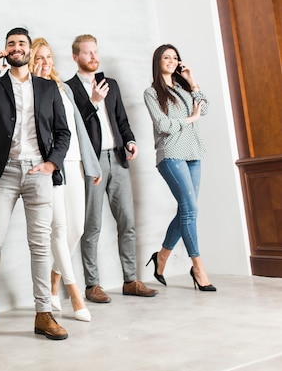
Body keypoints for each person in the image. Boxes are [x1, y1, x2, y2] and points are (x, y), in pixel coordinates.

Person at [0, 27, 71, 340]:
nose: (16, 47)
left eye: (21, 43)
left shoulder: (47, 87)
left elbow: (62, 132)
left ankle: (43, 313)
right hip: (3, 172)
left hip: (37, 172)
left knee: (40, 244)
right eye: (10, 44)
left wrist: (52, 162)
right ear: (5, 50)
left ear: (29, 50)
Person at [64, 34, 158, 303]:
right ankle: (92, 285)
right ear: (75, 57)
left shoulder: (111, 85)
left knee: (127, 221)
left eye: (95, 52)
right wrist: (92, 101)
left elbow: (121, 120)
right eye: (87, 53)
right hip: (91, 163)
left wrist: (129, 141)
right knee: (91, 225)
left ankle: (130, 280)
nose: (94, 57)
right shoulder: (68, 88)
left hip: (118, 159)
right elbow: (73, 126)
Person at [29, 38, 101, 322]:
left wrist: (91, 165)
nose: (45, 62)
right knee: (58, 229)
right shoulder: (30, 92)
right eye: (38, 58)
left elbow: (79, 128)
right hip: (52, 167)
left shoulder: (63, 88)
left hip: (75, 163)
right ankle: (75, 295)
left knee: (78, 229)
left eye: (48, 57)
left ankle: (54, 280)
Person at [143, 44, 216, 292]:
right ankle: (198, 267)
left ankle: (162, 256)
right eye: (167, 57)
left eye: (175, 58)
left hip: (194, 152)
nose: (172, 61)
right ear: (158, 61)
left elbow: (204, 108)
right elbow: (163, 125)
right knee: (190, 209)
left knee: (188, 210)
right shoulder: (152, 92)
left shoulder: (184, 88)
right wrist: (189, 120)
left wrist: (192, 81)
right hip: (171, 154)